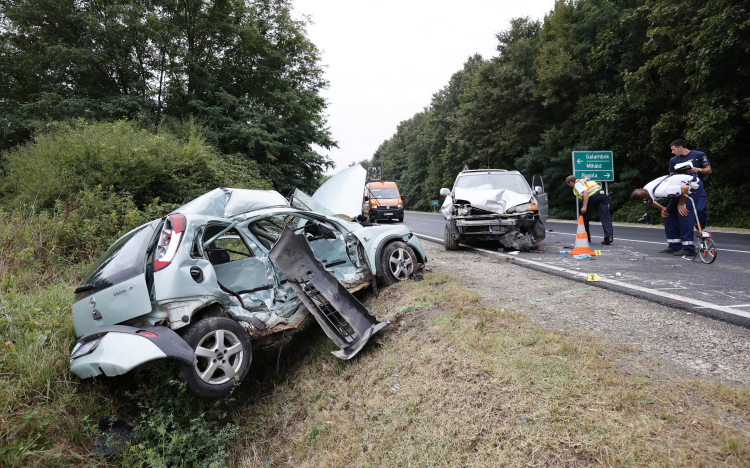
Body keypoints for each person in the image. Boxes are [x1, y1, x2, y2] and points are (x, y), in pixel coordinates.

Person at [631, 174, 707, 256]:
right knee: (668, 214)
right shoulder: (645, 190)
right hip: (680, 188)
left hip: (692, 186)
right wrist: (662, 208)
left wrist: (681, 203)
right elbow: (649, 202)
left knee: (684, 214)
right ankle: (675, 246)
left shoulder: (660, 191)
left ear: (644, 198)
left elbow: (685, 189)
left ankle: (688, 248)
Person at [565, 175, 613, 245]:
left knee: (584, 218)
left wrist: (584, 206)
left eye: (569, 185)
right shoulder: (586, 180)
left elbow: (586, 192)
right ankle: (609, 237)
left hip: (591, 198)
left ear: (571, 182)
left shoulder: (577, 184)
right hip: (602, 195)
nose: (571, 186)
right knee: (606, 217)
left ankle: (586, 238)